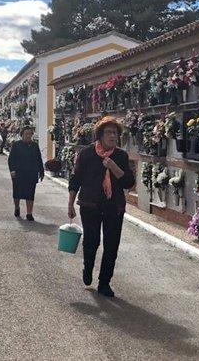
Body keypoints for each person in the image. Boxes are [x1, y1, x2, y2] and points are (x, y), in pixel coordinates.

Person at [68, 116, 135, 298]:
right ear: (100, 135)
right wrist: (70, 202)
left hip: (114, 207)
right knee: (92, 241)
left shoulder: (120, 156)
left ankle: (104, 282)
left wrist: (114, 167)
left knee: (111, 245)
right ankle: (88, 267)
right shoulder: (86, 154)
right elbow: (76, 179)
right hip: (90, 205)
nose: (113, 136)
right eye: (109, 132)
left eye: (115, 133)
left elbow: (129, 182)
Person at [7, 125, 44, 221]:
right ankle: (17, 207)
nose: (28, 136)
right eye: (26, 134)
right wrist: (12, 170)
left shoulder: (35, 145)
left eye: (30, 134)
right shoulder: (16, 145)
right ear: (22, 135)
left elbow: (39, 159)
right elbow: (11, 159)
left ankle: (29, 213)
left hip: (31, 173)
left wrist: (41, 171)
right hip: (18, 173)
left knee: (30, 193)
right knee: (17, 193)